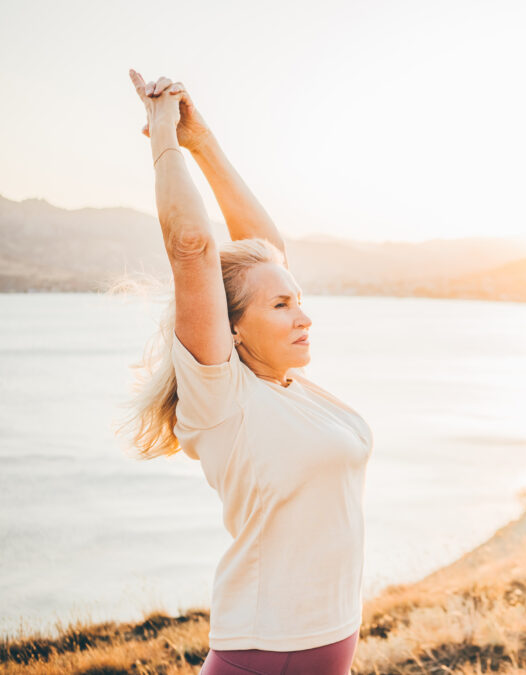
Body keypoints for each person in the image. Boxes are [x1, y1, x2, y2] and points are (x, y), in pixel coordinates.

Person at [120, 70, 373, 675]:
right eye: (282, 306)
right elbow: (191, 245)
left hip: (330, 638)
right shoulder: (222, 397)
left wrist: (201, 138)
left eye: (300, 299)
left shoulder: (289, 388)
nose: (304, 317)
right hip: (267, 651)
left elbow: (265, 253)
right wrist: (163, 136)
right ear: (231, 328)